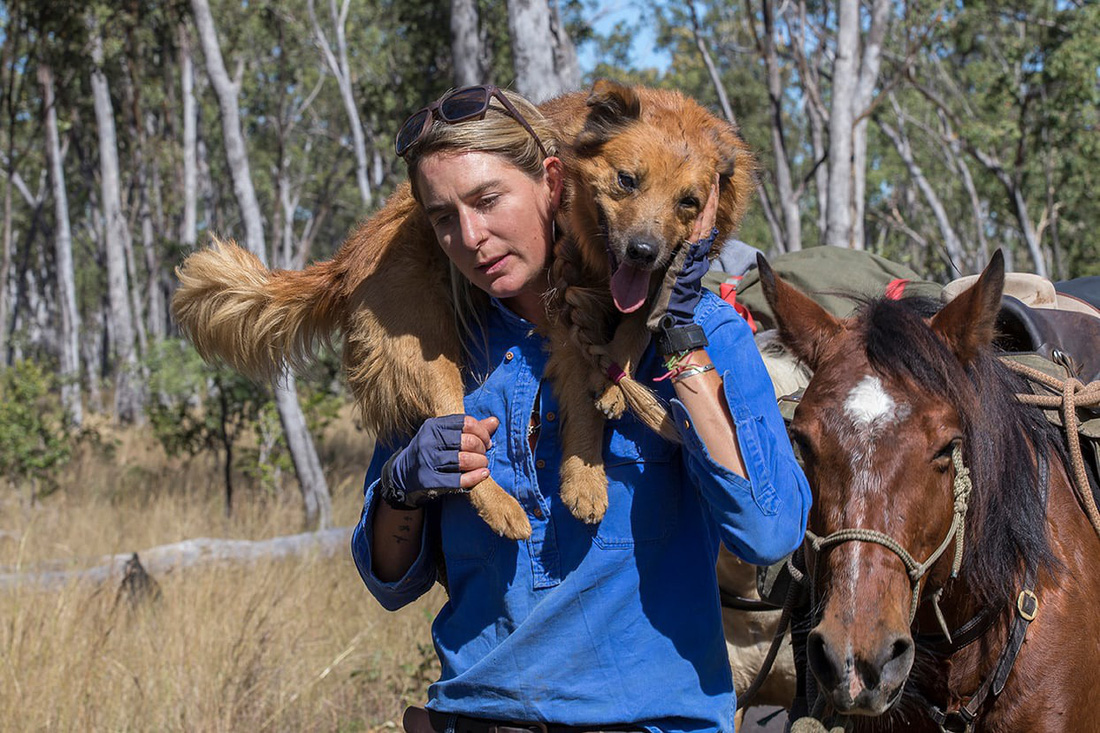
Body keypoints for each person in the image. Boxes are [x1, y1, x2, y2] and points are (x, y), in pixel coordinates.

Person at [351, 84, 811, 733]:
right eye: (443, 217)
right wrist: (402, 485)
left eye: (487, 201)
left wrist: (678, 338)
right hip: (478, 716)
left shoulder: (704, 330)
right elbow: (390, 581)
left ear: (553, 181)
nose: (471, 236)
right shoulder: (441, 346)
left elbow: (769, 531)